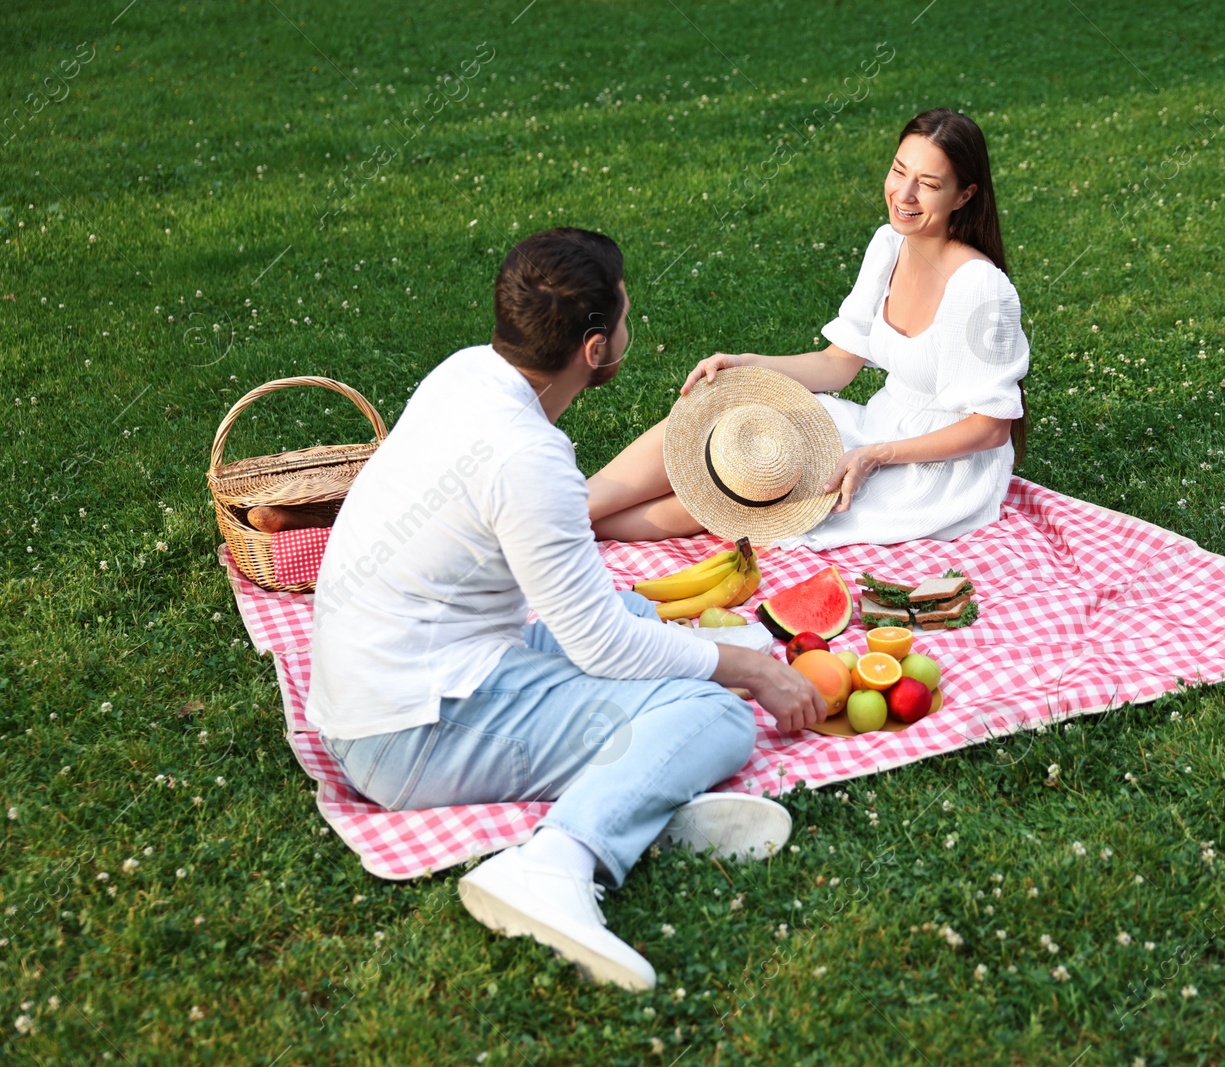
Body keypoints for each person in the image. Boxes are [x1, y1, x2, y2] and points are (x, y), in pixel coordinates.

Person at [305, 228, 829, 992]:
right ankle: (553, 864)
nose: (629, 325)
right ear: (594, 350)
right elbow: (600, 648)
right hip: (405, 734)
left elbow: (596, 618)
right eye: (622, 315)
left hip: (394, 678)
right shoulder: (528, 457)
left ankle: (638, 802)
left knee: (648, 625)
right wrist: (751, 669)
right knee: (716, 712)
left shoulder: (465, 373)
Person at [587, 107, 1030, 549]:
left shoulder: (980, 288)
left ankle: (558, 527)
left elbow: (991, 428)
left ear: (964, 195)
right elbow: (838, 365)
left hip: (938, 467)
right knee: (724, 429)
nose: (904, 194)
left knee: (748, 492)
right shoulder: (890, 244)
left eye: (929, 185)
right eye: (899, 170)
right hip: (877, 425)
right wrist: (745, 365)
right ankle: (566, 509)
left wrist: (876, 456)